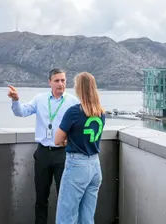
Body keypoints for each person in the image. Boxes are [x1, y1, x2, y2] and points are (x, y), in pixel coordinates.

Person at [8, 68, 79, 224]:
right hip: (43, 154)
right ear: (50, 82)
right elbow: (21, 112)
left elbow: (80, 126)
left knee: (65, 197)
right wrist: (15, 100)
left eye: (63, 80)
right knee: (41, 197)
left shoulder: (73, 102)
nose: (60, 84)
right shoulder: (40, 99)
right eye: (57, 80)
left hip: (64, 155)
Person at [53, 72, 106, 224]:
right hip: (95, 166)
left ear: (80, 89)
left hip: (77, 166)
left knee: (66, 215)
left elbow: (57, 140)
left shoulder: (74, 112)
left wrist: (67, 141)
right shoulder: (101, 113)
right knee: (87, 217)